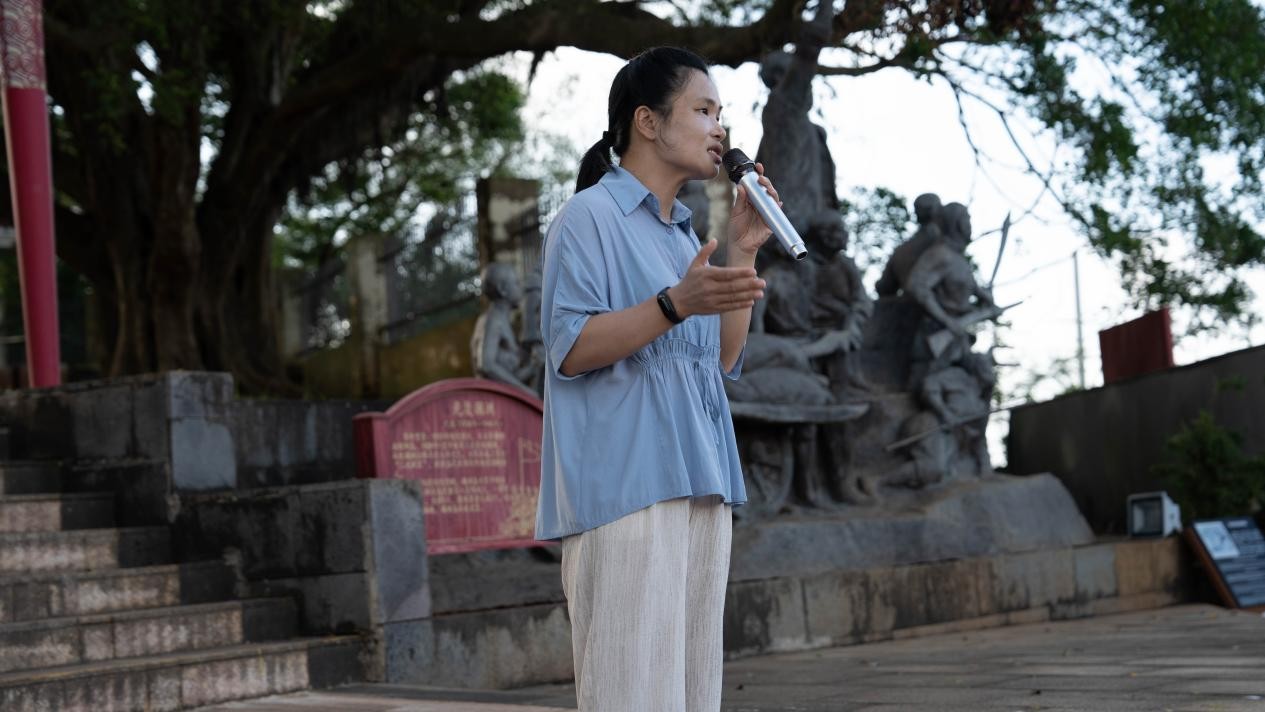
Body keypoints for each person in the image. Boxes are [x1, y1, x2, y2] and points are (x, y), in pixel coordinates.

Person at [534, 46, 779, 712]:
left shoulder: (683, 237)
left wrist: (742, 249)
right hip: (625, 492)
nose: (719, 129)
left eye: (720, 114)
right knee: (631, 694)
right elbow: (571, 348)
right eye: (703, 110)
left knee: (692, 694)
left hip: (700, 483)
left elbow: (718, 359)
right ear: (647, 121)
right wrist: (673, 303)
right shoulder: (587, 218)